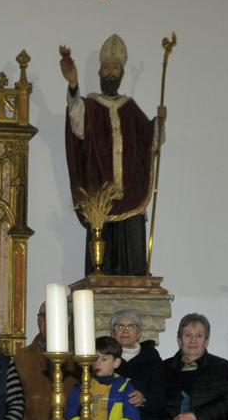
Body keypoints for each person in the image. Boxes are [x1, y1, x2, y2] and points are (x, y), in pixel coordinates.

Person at [59, 35, 164, 276]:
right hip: (101, 200)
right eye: (106, 67)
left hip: (131, 197)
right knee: (101, 265)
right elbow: (77, 124)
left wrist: (158, 122)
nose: (110, 72)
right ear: (99, 72)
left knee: (134, 261)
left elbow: (150, 142)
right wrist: (73, 84)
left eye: (115, 67)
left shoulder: (130, 108)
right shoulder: (91, 106)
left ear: (122, 73)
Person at [109, 309, 166, 420]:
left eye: (131, 326)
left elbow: (161, 400)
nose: (125, 330)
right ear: (112, 332)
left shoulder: (153, 361)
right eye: (119, 326)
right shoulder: (103, 360)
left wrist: (143, 399)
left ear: (139, 333)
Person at [14, 301, 79, 420]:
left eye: (53, 315)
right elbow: (15, 400)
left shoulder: (79, 357)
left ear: (68, 320)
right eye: (42, 316)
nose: (46, 320)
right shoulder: (22, 356)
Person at [66, 336, 140, 420]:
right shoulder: (82, 386)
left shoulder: (125, 387)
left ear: (116, 363)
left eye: (104, 359)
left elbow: (132, 416)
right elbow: (71, 412)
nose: (98, 363)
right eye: (95, 358)